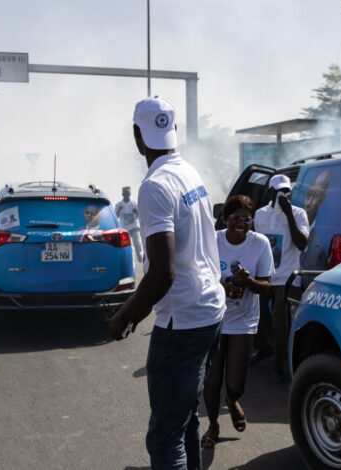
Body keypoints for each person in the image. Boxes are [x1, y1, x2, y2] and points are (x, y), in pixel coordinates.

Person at [109, 95, 225, 470]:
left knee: (164, 436)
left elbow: (162, 272)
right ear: (173, 131)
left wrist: (125, 315)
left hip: (183, 323)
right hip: (209, 311)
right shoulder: (189, 172)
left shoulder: (154, 185)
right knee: (185, 417)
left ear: (136, 136)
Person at [200, 195, 272, 449]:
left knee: (236, 382)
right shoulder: (213, 240)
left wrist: (248, 282)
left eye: (247, 219)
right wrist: (224, 287)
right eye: (236, 217)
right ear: (225, 218)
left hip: (244, 320)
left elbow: (266, 286)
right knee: (212, 378)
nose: (241, 223)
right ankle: (212, 424)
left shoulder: (260, 243)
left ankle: (232, 401)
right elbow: (200, 278)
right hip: (213, 318)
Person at [250, 174, 308, 383]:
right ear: (271, 193)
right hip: (265, 275)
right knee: (257, 315)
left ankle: (279, 367)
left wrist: (289, 214)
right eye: (279, 192)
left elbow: (302, 244)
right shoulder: (260, 214)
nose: (283, 196)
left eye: (287, 192)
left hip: (287, 278)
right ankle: (265, 347)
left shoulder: (299, 213)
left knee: (280, 323)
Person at [299, 169, 332, 287]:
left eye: (316, 196)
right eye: (308, 195)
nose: (308, 203)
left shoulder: (321, 240)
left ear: (323, 199)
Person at [116, 186, 144, 262]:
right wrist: (119, 210)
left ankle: (138, 253)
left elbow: (141, 215)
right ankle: (127, 258)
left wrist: (136, 212)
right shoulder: (119, 205)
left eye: (128, 193)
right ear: (122, 194)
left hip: (134, 227)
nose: (126, 194)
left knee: (137, 244)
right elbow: (116, 217)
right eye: (125, 193)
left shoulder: (134, 203)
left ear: (130, 193)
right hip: (124, 228)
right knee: (125, 245)